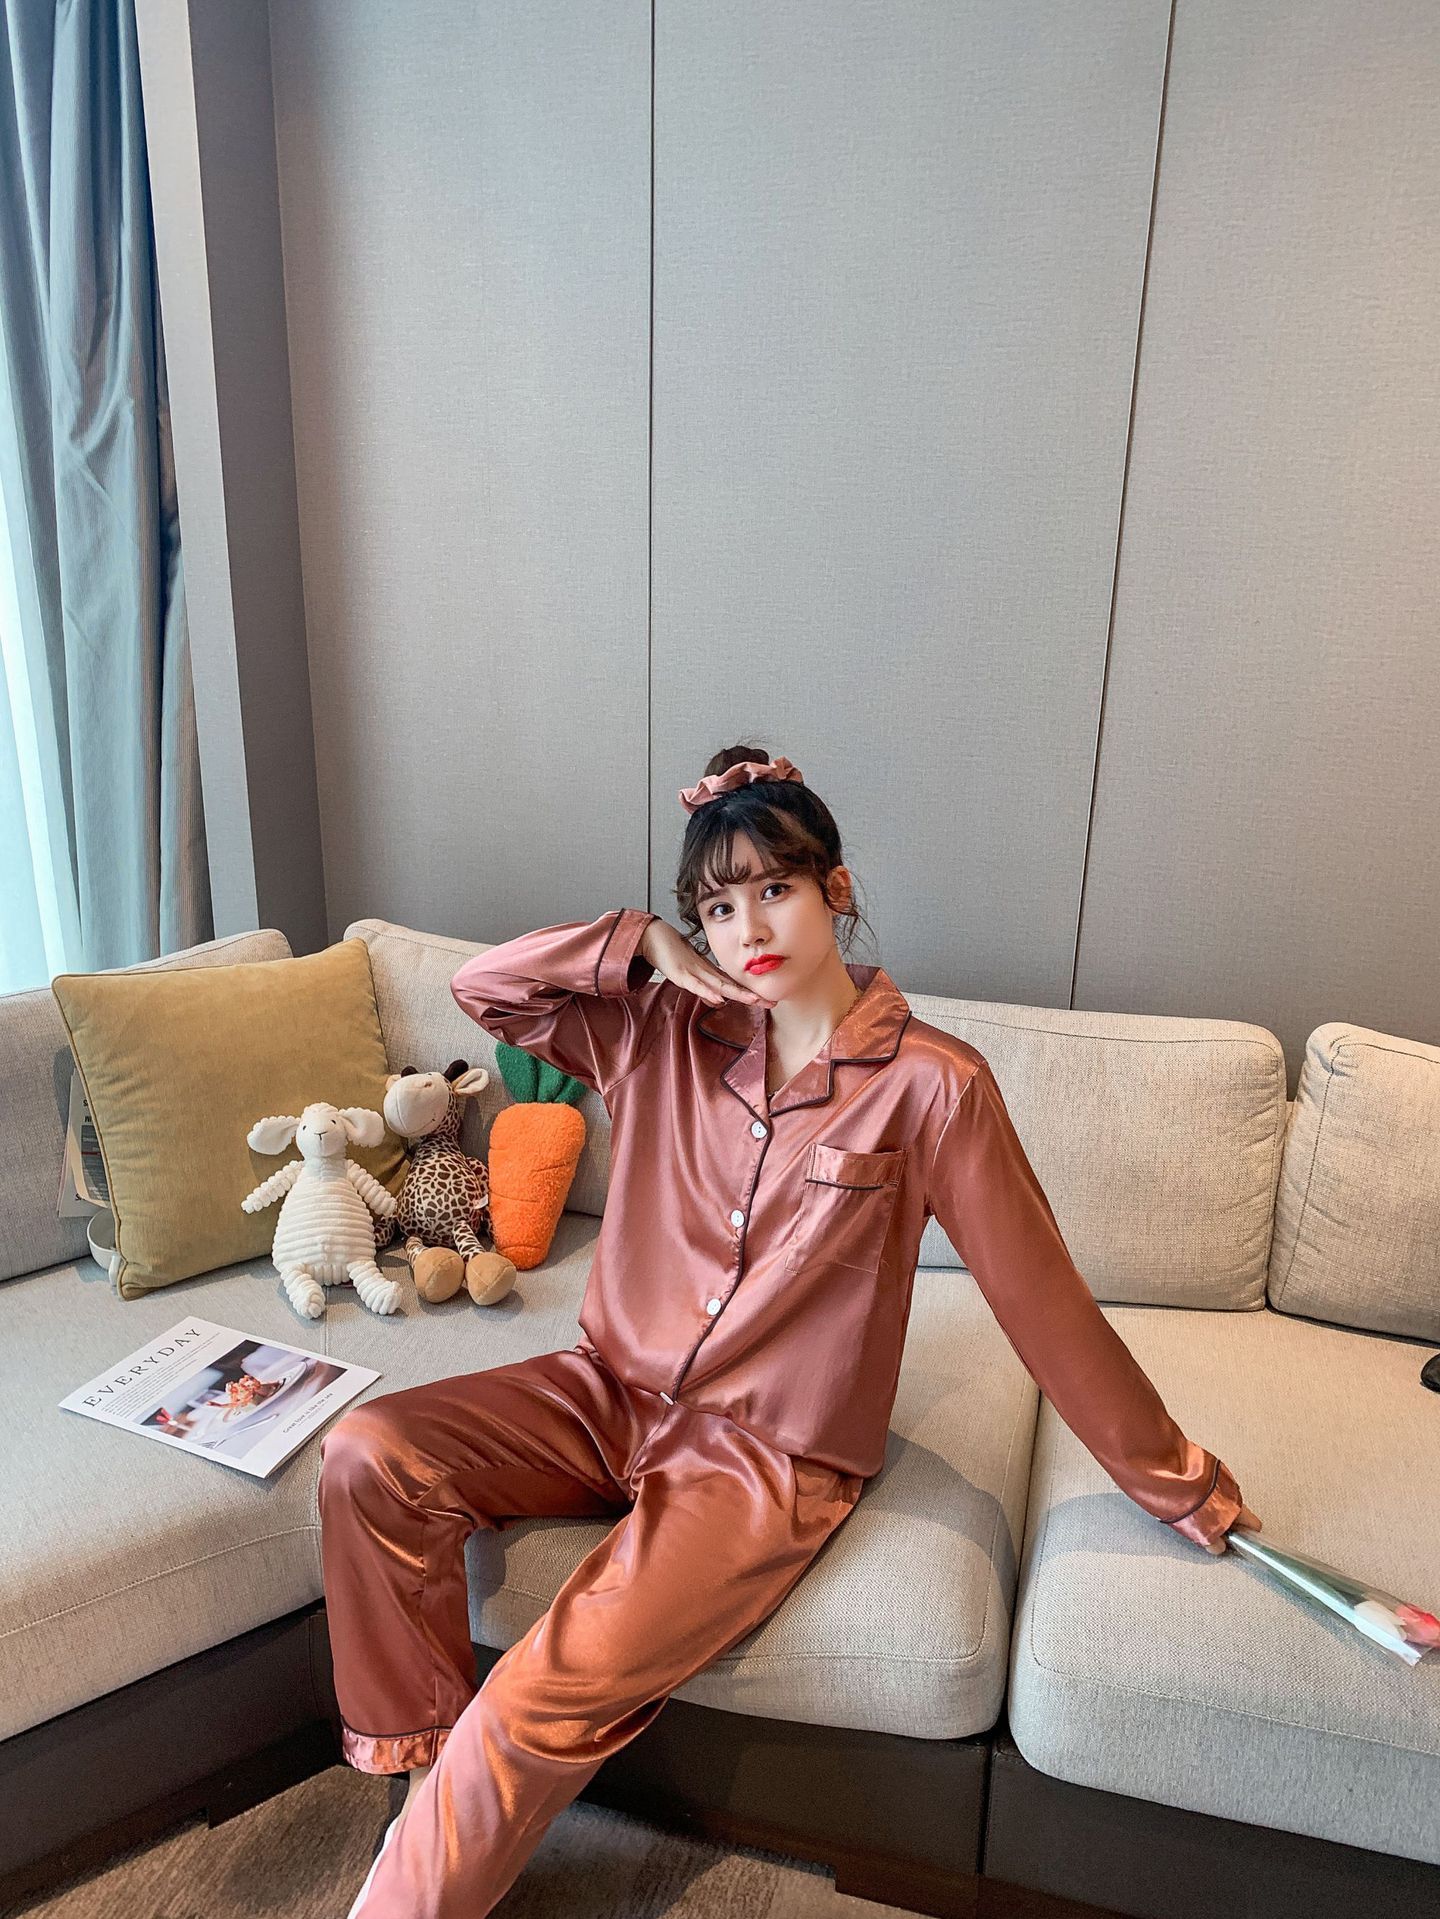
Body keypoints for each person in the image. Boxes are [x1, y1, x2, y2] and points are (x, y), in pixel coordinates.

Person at [320, 744, 1262, 1917]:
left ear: (837, 889)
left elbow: (1043, 1302)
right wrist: (637, 941)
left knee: (547, 1684)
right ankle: (423, 1784)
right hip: (605, 1387)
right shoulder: (656, 1028)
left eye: (776, 888)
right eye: (718, 906)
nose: (750, 926)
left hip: (763, 1458)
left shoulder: (935, 1085)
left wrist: (1176, 1479)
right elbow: (489, 991)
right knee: (369, 1452)